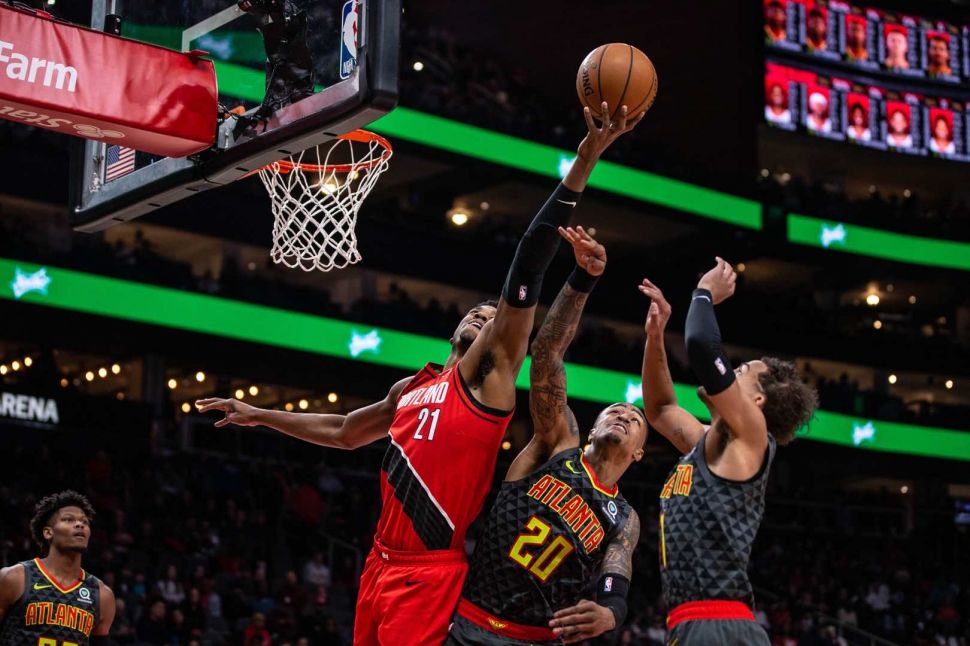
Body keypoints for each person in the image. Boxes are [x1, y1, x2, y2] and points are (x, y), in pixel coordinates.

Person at [196, 101, 643, 645]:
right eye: (475, 311)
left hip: (430, 572)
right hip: (378, 563)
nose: (484, 315)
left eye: (493, 315)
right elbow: (344, 431)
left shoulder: (488, 379)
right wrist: (260, 415)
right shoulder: (409, 387)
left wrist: (585, 159)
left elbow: (528, 261)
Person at [447, 227, 644, 645]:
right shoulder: (557, 444)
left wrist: (611, 613)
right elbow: (548, 352)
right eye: (615, 411)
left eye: (634, 418)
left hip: (536, 637)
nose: (624, 415)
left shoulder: (624, 517)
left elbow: (616, 574)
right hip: (470, 621)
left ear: (640, 452)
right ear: (592, 428)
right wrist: (583, 279)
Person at [639, 260, 817, 645]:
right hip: (693, 622)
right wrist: (655, 336)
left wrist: (704, 292)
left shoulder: (752, 435)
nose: (730, 372)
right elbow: (660, 409)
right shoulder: (712, 444)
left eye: (741, 371)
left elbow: (702, 346)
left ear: (757, 400)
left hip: (718, 623)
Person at [0, 491, 116, 644]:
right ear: (48, 533)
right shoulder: (14, 578)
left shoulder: (102, 595)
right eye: (68, 519)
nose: (80, 524)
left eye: (85, 522)